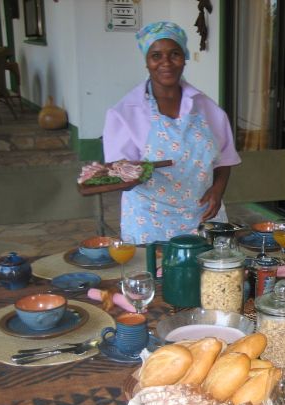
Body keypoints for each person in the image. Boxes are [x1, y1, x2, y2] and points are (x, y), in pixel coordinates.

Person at [103, 21, 241, 244]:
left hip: (203, 217)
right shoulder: (124, 113)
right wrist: (129, 174)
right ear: (147, 62)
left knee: (210, 277)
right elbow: (119, 173)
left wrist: (218, 190)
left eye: (174, 54)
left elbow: (225, 157)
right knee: (155, 276)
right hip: (150, 221)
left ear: (184, 57)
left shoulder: (206, 107)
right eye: (156, 56)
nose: (166, 63)